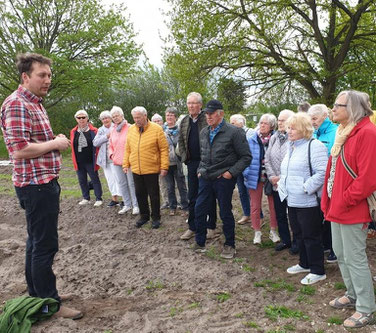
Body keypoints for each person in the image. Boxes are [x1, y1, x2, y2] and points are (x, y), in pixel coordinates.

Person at [0, 53, 82, 319]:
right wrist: (56, 144)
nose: (48, 80)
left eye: (49, 75)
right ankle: (49, 304)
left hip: (44, 183)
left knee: (36, 243)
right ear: (26, 77)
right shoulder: (16, 104)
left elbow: (36, 140)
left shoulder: (35, 103)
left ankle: (39, 294)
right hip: (35, 186)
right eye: (42, 75)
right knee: (44, 245)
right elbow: (19, 150)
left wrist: (53, 139)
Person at [321, 90, 376, 328]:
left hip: (353, 208)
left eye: (337, 105)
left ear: (352, 108)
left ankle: (366, 308)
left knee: (355, 258)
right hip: (338, 206)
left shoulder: (367, 133)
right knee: (341, 254)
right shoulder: (344, 132)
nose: (332, 109)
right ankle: (353, 294)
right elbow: (333, 169)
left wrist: (343, 199)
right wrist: (328, 199)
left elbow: (367, 179)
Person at [193, 100, 252, 259]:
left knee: (225, 211)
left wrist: (230, 173)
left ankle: (229, 245)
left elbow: (246, 157)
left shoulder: (234, 132)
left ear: (221, 114)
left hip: (223, 179)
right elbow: (204, 155)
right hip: (206, 177)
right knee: (199, 208)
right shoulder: (204, 132)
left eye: (211, 113)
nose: (208, 116)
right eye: (206, 113)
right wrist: (200, 169)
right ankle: (200, 241)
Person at [278, 112, 328, 285]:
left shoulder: (315, 146)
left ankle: (317, 270)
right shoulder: (292, 146)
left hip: (308, 201)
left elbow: (323, 173)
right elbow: (287, 171)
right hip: (291, 199)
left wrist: (306, 188)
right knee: (299, 234)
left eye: (293, 128)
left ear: (304, 129)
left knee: (311, 235)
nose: (289, 131)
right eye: (288, 128)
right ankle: (305, 263)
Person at [178, 92, 218, 240]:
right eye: (189, 103)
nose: (191, 106)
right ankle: (193, 227)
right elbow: (181, 142)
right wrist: (184, 158)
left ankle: (211, 226)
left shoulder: (207, 118)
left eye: (194, 103)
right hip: (191, 163)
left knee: (208, 195)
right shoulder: (184, 121)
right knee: (192, 195)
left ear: (200, 105)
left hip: (206, 164)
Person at [123, 106, 169, 229]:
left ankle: (156, 218)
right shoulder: (131, 129)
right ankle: (144, 216)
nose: (136, 120)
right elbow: (128, 149)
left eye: (138, 117)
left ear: (145, 115)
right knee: (139, 193)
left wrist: (164, 166)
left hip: (151, 167)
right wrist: (125, 164)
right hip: (136, 168)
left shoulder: (157, 129)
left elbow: (164, 149)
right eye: (134, 118)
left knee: (153, 194)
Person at [308, 104, 339, 263]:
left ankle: (334, 248)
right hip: (317, 182)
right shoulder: (313, 133)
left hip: (331, 181)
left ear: (324, 116)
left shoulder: (335, 132)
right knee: (320, 214)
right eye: (311, 119)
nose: (312, 122)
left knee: (331, 215)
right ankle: (326, 244)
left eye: (315, 118)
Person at [243, 113, 280, 245]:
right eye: (261, 123)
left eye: (265, 123)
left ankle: (273, 231)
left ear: (272, 126)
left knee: (273, 205)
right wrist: (246, 172)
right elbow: (245, 157)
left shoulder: (276, 139)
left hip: (271, 176)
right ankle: (257, 232)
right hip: (255, 175)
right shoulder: (251, 138)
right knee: (255, 205)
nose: (262, 125)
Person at [265, 109, 296, 252]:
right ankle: (285, 240)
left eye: (283, 120)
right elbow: (267, 159)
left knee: (294, 215)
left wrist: (282, 178)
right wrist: (272, 177)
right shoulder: (274, 137)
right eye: (279, 119)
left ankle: (297, 241)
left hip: (290, 183)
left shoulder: (295, 138)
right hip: (276, 184)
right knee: (280, 213)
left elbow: (295, 162)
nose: (280, 122)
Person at [108, 106, 139, 215]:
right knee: (122, 183)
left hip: (129, 161)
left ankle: (136, 205)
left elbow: (134, 143)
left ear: (122, 115)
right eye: (113, 116)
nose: (115, 118)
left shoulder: (130, 127)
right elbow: (110, 144)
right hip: (116, 161)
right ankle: (127, 204)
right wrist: (111, 155)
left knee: (131, 183)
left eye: (117, 115)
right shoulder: (112, 130)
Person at [70, 109, 103, 206]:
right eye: (79, 118)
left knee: (94, 179)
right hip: (79, 161)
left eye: (83, 117)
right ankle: (86, 198)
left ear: (87, 118)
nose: (81, 119)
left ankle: (98, 198)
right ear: (76, 119)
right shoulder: (73, 131)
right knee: (82, 180)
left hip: (90, 160)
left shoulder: (94, 131)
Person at [164, 107, 189, 216]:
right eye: (167, 115)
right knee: (169, 187)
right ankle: (172, 206)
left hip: (178, 163)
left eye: (171, 115)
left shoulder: (180, 130)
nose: (169, 117)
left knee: (182, 186)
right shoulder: (162, 130)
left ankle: (185, 206)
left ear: (175, 117)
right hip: (167, 163)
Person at [93, 110, 120, 207]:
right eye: (103, 119)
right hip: (105, 160)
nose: (105, 120)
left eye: (107, 118)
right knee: (110, 179)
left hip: (116, 158)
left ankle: (124, 199)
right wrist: (106, 136)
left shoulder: (116, 126)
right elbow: (95, 142)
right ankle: (114, 199)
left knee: (119, 179)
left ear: (111, 118)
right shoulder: (101, 130)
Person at [230, 114, 252, 225]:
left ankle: (258, 215)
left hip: (248, 167)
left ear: (241, 122)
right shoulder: (231, 134)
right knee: (242, 192)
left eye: (233, 123)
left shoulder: (250, 133)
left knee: (252, 192)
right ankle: (247, 214)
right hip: (237, 167)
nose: (231, 125)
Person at [151, 113, 169, 209]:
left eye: (159, 121)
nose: (157, 123)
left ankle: (177, 201)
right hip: (157, 162)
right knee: (162, 183)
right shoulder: (151, 133)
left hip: (171, 160)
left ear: (162, 122)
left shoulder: (168, 130)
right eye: (155, 121)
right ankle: (166, 201)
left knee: (173, 183)